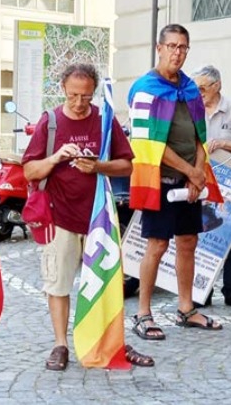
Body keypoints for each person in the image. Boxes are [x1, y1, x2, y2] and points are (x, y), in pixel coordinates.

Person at [22, 63, 144, 371]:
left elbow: (127, 165)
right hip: (58, 216)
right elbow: (29, 171)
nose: (79, 103)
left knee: (105, 283)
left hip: (99, 219)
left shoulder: (104, 119)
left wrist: (98, 166)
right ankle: (61, 344)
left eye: (86, 97)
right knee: (58, 284)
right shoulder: (49, 122)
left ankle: (108, 341)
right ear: (63, 88)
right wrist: (56, 156)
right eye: (74, 95)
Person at [128, 24, 224, 340]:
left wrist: (197, 172)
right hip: (161, 179)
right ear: (159, 48)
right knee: (156, 244)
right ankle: (143, 313)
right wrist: (192, 171)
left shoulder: (191, 89)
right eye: (172, 46)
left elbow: (201, 135)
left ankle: (186, 308)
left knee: (188, 242)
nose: (177, 52)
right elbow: (148, 143)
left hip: (190, 181)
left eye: (183, 47)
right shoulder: (145, 89)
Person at [192, 65, 231, 309]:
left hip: (228, 181)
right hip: (199, 179)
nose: (199, 92)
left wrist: (223, 143)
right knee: (198, 235)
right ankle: (201, 290)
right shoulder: (192, 108)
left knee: (229, 236)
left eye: (203, 87)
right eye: (196, 88)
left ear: (217, 86)